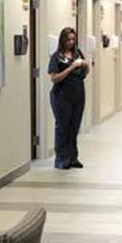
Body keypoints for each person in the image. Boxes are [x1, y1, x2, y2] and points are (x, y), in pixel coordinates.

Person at [47, 27, 89, 170]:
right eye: (68, 39)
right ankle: (61, 159)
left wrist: (85, 65)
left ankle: (72, 157)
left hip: (78, 95)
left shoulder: (77, 53)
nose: (71, 42)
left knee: (74, 127)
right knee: (62, 128)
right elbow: (54, 78)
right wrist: (71, 67)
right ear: (62, 40)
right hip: (61, 96)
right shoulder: (56, 57)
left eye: (73, 39)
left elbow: (85, 73)